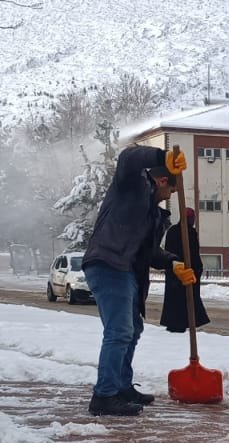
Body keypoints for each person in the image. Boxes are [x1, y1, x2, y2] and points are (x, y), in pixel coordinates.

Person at [82, 144, 196, 416]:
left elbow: (149, 253)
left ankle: (121, 387)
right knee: (119, 331)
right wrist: (162, 156)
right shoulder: (131, 185)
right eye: (171, 190)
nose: (170, 196)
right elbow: (128, 157)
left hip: (127, 270)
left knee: (132, 329)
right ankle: (104, 396)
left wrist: (173, 263)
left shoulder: (153, 215)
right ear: (162, 179)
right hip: (109, 262)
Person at [159, 207, 211, 333]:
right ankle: (185, 322)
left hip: (173, 270)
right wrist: (197, 268)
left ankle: (174, 322)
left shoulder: (172, 231)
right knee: (187, 299)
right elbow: (193, 254)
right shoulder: (189, 232)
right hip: (186, 272)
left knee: (174, 300)